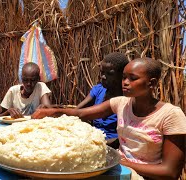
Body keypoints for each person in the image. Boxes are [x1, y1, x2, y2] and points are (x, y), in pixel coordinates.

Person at [32, 57, 186, 179]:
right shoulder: (120, 103)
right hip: (119, 170)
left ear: (151, 83)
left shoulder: (171, 115)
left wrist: (120, 162)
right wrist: (51, 111)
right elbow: (81, 113)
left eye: (133, 78)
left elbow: (169, 172)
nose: (125, 83)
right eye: (124, 77)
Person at [76, 52, 128, 147]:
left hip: (115, 145)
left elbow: (124, 138)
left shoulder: (127, 99)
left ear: (121, 75)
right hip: (93, 140)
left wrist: (98, 144)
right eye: (102, 72)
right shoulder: (98, 90)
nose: (103, 77)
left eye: (110, 74)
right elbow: (78, 112)